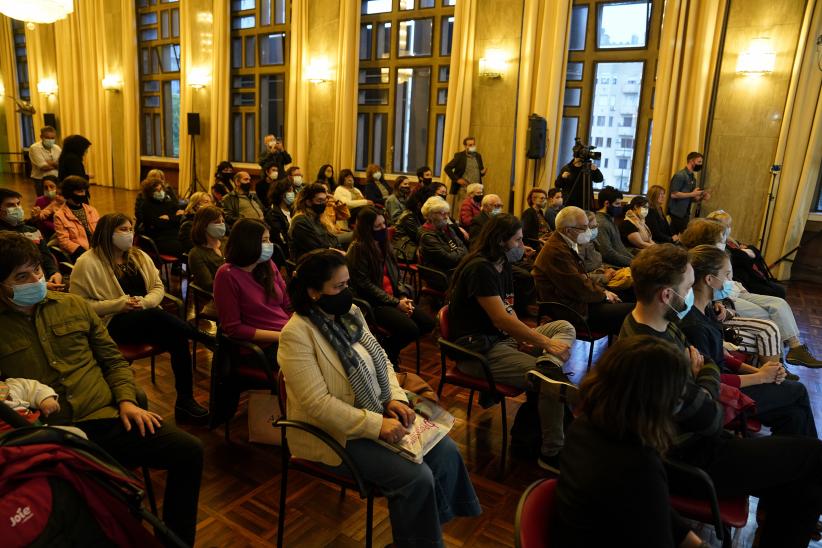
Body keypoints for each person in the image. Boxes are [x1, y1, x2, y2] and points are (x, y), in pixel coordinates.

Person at [0, 232, 203, 546]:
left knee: (189, 451)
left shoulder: (73, 306)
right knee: (110, 497)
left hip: (106, 415)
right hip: (52, 437)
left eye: (37, 271)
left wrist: (126, 400)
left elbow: (113, 359)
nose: (35, 280)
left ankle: (176, 541)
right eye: (22, 276)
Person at [620, 244, 822, 547]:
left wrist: (703, 372)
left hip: (693, 443)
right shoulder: (656, 355)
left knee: (802, 456)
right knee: (814, 459)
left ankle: (786, 516)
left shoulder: (649, 323)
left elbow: (707, 368)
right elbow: (711, 418)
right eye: (688, 286)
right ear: (666, 295)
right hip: (689, 460)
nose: (692, 291)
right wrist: (704, 373)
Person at [278, 249, 481, 546]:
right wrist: (376, 424)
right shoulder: (296, 334)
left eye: (347, 284)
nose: (347, 292)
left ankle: (420, 537)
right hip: (333, 433)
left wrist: (394, 398)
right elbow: (317, 404)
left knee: (446, 450)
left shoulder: (349, 314)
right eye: (339, 287)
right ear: (313, 292)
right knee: (417, 477)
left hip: (375, 409)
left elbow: (382, 360)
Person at [448, 213, 576, 471]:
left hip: (499, 341)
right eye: (517, 241)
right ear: (500, 241)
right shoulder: (481, 268)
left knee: (564, 326)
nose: (522, 246)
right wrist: (545, 344)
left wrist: (522, 339)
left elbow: (508, 310)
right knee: (551, 383)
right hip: (476, 351)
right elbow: (500, 319)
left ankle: (547, 365)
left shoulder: (501, 264)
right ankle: (551, 453)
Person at [553, 337, 702, 548]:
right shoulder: (639, 466)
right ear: (656, 403)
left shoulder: (584, 427)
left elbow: (652, 506)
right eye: (676, 397)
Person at [68, 212, 208, 419]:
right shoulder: (87, 262)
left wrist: (144, 302)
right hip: (112, 324)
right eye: (123, 229)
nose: (129, 234)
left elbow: (158, 286)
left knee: (176, 338)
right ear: (107, 233)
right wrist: (119, 304)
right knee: (155, 317)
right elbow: (79, 304)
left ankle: (185, 402)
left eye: (131, 229)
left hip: (146, 317)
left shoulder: (138, 256)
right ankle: (202, 337)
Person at [681, 245, 816, 437]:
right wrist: (761, 377)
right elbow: (712, 380)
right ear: (709, 279)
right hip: (722, 395)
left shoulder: (709, 309)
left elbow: (721, 357)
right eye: (727, 275)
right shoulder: (694, 326)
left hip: (731, 381)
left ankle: (797, 460)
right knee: (798, 391)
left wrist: (760, 371)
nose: (731, 281)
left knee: (794, 415)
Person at [679, 218, 822, 367]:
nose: (725, 242)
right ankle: (779, 365)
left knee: (779, 303)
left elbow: (745, 261)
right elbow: (704, 292)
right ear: (707, 240)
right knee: (770, 319)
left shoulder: (718, 256)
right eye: (722, 240)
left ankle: (795, 347)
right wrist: (719, 303)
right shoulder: (701, 260)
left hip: (731, 292)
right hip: (726, 297)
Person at [346, 207, 435, 364]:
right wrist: (395, 303)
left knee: (428, 323)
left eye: (384, 224)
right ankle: (386, 356)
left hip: (393, 298)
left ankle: (387, 349)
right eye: (378, 226)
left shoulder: (384, 244)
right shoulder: (358, 249)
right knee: (410, 329)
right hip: (375, 303)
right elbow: (364, 285)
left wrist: (402, 296)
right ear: (367, 229)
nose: (384, 229)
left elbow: (396, 275)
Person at [532, 207, 632, 335]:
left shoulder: (564, 242)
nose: (589, 231)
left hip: (577, 300)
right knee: (631, 310)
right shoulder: (557, 251)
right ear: (568, 230)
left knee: (626, 294)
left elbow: (580, 280)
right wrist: (604, 294)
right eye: (584, 227)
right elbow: (578, 287)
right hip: (571, 310)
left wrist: (604, 292)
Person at [213, 219, 291, 364]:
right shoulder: (226, 274)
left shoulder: (267, 264)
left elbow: (287, 303)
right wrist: (282, 335)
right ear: (247, 243)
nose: (269, 245)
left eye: (269, 240)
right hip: (259, 346)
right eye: (264, 241)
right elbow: (234, 329)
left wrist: (298, 328)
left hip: (285, 333)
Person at [706, 209, 786, 299]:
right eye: (726, 225)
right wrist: (747, 252)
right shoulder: (721, 246)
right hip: (744, 281)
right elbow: (743, 258)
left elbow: (755, 250)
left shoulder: (730, 240)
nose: (728, 227)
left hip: (751, 276)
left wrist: (748, 251)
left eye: (729, 225)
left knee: (779, 290)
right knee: (779, 291)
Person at [0, 188, 63, 290]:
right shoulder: (2, 237)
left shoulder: (33, 231)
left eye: (18, 204)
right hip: (21, 288)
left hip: (45, 280)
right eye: (10, 205)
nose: (17, 208)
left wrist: (54, 273)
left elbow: (46, 256)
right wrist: (40, 285)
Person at [418, 197, 468, 291]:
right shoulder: (426, 235)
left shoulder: (447, 228)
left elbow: (464, 247)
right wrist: (459, 252)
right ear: (430, 215)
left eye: (447, 213)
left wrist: (457, 252)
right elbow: (448, 259)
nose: (446, 217)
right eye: (442, 213)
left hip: (454, 269)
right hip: (440, 275)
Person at [53, 175, 100, 262]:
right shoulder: (60, 215)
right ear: (69, 193)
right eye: (79, 191)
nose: (83, 194)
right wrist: (85, 253)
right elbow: (64, 242)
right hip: (79, 255)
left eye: (83, 191)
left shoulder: (92, 210)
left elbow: (101, 231)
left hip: (97, 250)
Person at [288, 183, 340, 260]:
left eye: (325, 200)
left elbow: (334, 240)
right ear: (308, 202)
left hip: (325, 258)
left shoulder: (319, 217)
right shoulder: (300, 221)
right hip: (310, 263)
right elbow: (319, 248)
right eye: (319, 200)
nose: (323, 204)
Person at [139, 177, 186, 259]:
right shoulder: (146, 206)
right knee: (181, 248)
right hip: (158, 239)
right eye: (156, 190)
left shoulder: (168, 201)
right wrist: (174, 218)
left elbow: (181, 216)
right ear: (149, 193)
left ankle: (182, 268)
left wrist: (169, 218)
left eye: (160, 189)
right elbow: (158, 224)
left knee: (190, 242)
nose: (160, 192)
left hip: (175, 234)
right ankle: (180, 268)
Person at [668, 152, 709, 234]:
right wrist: (693, 194)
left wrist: (701, 197)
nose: (700, 164)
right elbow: (673, 194)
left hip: (685, 213)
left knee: (675, 236)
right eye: (699, 162)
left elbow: (691, 198)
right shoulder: (680, 175)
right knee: (686, 235)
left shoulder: (693, 178)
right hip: (677, 212)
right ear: (691, 161)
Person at [188, 206, 226, 292]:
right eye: (216, 222)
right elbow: (208, 285)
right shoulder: (196, 254)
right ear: (204, 225)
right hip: (214, 296)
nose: (221, 225)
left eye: (222, 221)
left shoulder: (227, 242)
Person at [593, 185, 633, 267]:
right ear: (606, 203)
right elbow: (607, 253)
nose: (620, 207)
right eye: (617, 204)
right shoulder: (600, 223)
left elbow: (619, 248)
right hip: (611, 266)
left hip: (622, 263)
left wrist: (636, 258)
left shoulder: (610, 220)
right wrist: (633, 262)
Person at [444, 136, 486, 209]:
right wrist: (457, 179)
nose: (472, 147)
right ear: (465, 146)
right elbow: (447, 168)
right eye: (470, 145)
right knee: (464, 209)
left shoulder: (478, 156)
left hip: (477, 189)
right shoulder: (459, 156)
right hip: (464, 189)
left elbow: (480, 172)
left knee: (476, 209)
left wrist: (483, 172)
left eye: (473, 145)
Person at [28, 125, 61, 197]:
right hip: (40, 179)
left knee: (56, 200)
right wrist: (56, 165)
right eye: (47, 138)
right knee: (44, 200)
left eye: (52, 138)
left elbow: (62, 165)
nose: (50, 140)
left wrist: (51, 163)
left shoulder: (57, 148)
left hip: (56, 178)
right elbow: (43, 167)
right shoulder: (34, 148)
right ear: (41, 136)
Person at [264, 178, 296, 250]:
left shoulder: (293, 210)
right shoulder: (272, 214)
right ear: (280, 194)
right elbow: (282, 239)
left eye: (292, 190)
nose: (292, 193)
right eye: (289, 191)